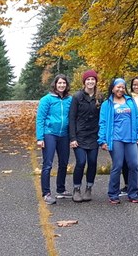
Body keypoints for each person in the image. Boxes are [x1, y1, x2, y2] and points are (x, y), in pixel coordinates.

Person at [98, 78, 138, 204]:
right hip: (115, 139)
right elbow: (102, 123)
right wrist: (102, 140)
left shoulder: (130, 101)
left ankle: (133, 193)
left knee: (134, 165)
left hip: (131, 139)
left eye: (122, 87)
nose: (120, 89)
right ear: (112, 88)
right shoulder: (107, 104)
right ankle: (113, 194)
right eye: (118, 87)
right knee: (117, 166)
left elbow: (137, 118)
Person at [36, 74, 72, 205]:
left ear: (66, 85)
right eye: (59, 83)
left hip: (64, 135)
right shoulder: (47, 99)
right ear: (55, 84)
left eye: (64, 83)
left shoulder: (70, 100)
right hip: (50, 133)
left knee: (63, 162)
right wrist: (40, 138)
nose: (61, 85)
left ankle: (61, 189)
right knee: (48, 164)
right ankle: (46, 193)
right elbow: (40, 119)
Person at [68, 69, 101, 202]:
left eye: (93, 79)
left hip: (94, 135)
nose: (90, 81)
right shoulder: (77, 97)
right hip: (80, 135)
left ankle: (89, 188)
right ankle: (76, 189)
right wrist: (73, 138)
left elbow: (103, 117)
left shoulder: (99, 97)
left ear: (96, 81)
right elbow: (72, 118)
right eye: (88, 79)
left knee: (92, 162)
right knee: (81, 162)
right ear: (84, 82)